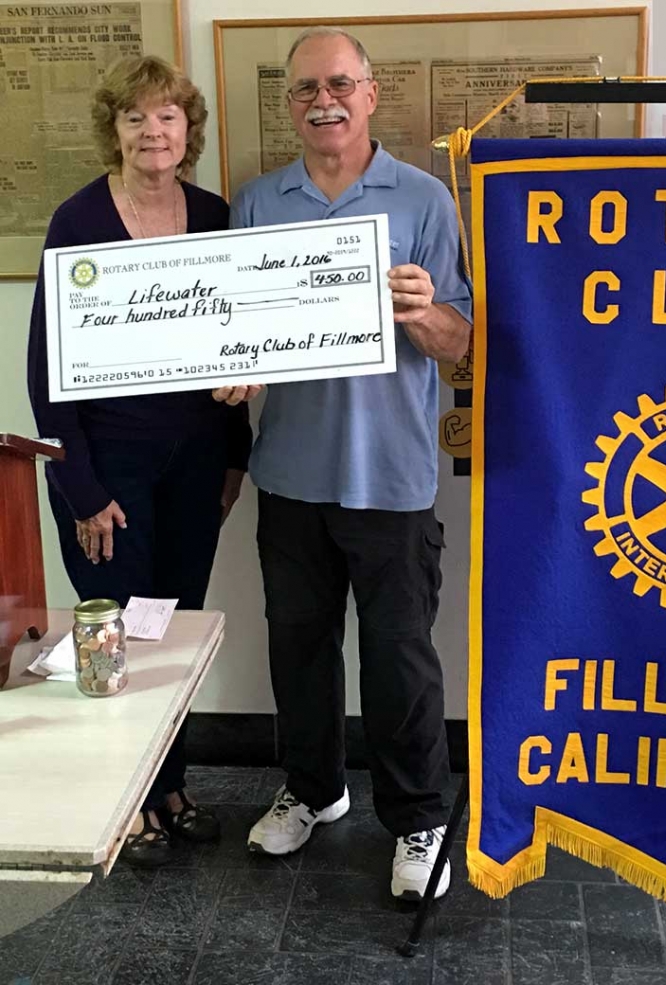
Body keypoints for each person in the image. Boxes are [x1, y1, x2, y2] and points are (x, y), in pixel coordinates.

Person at [217, 26, 471, 899]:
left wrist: (424, 312)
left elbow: (462, 342)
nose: (321, 101)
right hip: (288, 472)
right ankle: (313, 791)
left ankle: (417, 819)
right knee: (299, 651)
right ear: (288, 104)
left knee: (401, 658)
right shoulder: (255, 202)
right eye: (302, 90)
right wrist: (229, 372)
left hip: (392, 477)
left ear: (370, 93)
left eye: (337, 84)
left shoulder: (427, 199)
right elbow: (232, 337)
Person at [27, 56, 252, 867]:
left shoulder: (215, 214)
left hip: (196, 461)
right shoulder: (78, 220)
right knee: (114, 637)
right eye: (135, 118)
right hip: (107, 469)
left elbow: (238, 340)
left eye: (167, 117)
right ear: (113, 130)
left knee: (174, 631)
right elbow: (47, 368)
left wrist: (236, 460)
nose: (152, 132)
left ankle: (170, 787)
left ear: (187, 131)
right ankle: (125, 807)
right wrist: (81, 488)